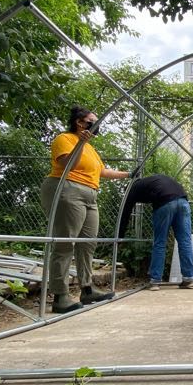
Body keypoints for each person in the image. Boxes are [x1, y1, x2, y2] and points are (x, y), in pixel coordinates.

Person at [41, 106, 131, 313]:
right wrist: (81, 141)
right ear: (80, 122)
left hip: (90, 195)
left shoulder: (91, 148)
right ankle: (60, 295)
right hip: (68, 189)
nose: (97, 125)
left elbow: (102, 171)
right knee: (65, 243)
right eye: (93, 120)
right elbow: (68, 165)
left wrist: (128, 174)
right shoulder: (65, 139)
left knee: (88, 243)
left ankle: (87, 289)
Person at [119, 174, 193, 291]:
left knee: (160, 242)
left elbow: (124, 214)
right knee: (185, 241)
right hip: (183, 201)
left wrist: (119, 237)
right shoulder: (149, 181)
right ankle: (189, 278)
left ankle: (155, 280)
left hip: (165, 203)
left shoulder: (131, 190)